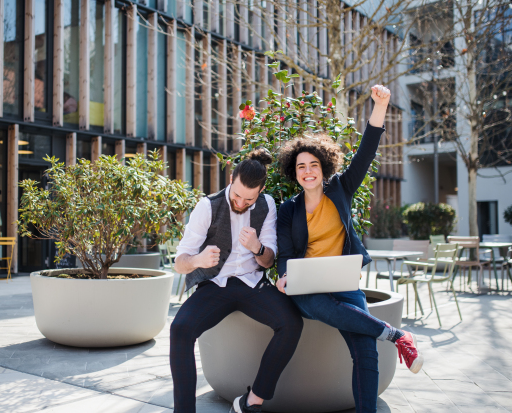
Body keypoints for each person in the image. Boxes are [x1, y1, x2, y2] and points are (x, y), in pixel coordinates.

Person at [276, 85, 424, 413]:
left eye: (313, 164)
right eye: (301, 166)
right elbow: (284, 254)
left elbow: (367, 149)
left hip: (345, 283)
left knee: (365, 349)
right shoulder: (288, 209)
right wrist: (284, 276)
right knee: (316, 302)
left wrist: (381, 105)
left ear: (323, 166)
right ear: (294, 172)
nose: (308, 171)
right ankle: (396, 334)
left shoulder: (341, 188)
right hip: (308, 289)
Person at [170, 149, 303, 413]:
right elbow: (179, 262)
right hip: (216, 285)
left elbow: (268, 260)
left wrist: (257, 248)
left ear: (261, 190)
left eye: (249, 199)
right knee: (180, 330)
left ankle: (253, 399)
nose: (241, 202)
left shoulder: (267, 205)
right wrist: (198, 261)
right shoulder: (207, 206)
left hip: (253, 285)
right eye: (237, 195)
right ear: (231, 180)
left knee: (291, 323)